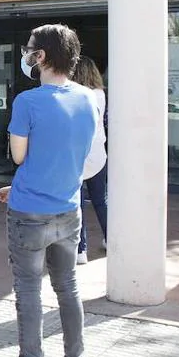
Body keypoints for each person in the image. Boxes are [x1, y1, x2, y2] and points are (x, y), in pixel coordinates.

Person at [0, 24, 98, 357]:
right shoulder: (89, 99)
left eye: (29, 49)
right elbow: (70, 157)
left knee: (29, 291)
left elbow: (20, 156)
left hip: (29, 212)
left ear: (42, 57)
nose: (26, 55)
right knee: (68, 288)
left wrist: (18, 185)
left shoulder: (28, 102)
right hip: (69, 209)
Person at [71, 56, 108, 265]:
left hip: (77, 154)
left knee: (78, 202)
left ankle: (80, 250)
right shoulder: (100, 94)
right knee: (100, 200)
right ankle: (110, 238)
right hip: (98, 154)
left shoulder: (77, 96)